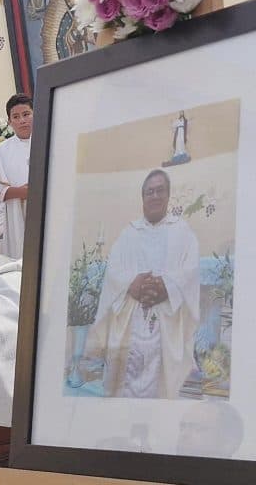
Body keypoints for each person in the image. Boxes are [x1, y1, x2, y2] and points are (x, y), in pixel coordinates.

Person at [87, 169, 199, 399]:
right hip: (131, 319)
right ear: (143, 198)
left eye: (160, 190)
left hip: (167, 321)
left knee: (163, 390)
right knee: (123, 385)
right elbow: (114, 269)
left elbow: (191, 269)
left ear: (168, 196)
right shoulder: (129, 233)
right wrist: (132, 283)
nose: (155, 196)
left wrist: (166, 287)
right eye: (150, 191)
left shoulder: (183, 231)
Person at [0, 94, 33, 259]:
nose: (22, 120)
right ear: (9, 121)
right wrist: (21, 193)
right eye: (16, 116)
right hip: (16, 215)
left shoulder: (51, 140)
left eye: (26, 114)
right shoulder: (1, 152)